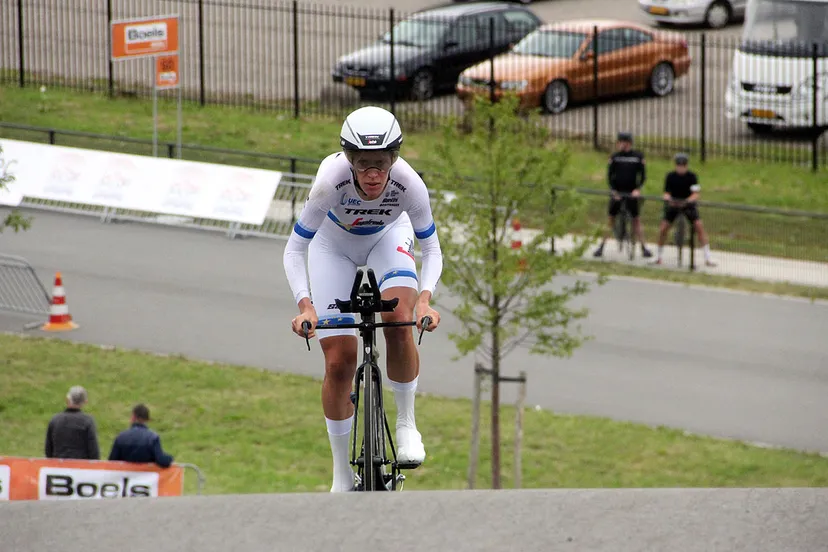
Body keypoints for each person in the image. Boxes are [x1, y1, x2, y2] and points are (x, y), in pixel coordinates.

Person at [282, 105, 443, 493]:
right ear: (348, 159)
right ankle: (341, 473)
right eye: (363, 163)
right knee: (339, 362)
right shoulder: (328, 182)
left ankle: (406, 424)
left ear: (395, 158)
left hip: (388, 236)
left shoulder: (409, 185)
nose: (373, 174)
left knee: (399, 320)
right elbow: (293, 250)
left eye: (382, 163)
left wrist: (424, 299)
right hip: (332, 245)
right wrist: (306, 305)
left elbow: (432, 249)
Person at [593, 132, 653, 259]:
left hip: (631, 191)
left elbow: (642, 176)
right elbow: (610, 175)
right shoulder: (615, 157)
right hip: (617, 191)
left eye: (623, 142)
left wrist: (637, 189)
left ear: (629, 143)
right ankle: (601, 246)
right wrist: (613, 191)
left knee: (636, 219)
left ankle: (643, 247)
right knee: (610, 219)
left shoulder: (637, 157)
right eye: (619, 142)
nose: (621, 144)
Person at [654, 153, 717, 267]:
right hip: (674, 204)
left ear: (686, 166)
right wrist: (668, 199)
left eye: (683, 165)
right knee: (663, 228)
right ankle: (658, 256)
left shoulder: (692, 176)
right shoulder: (670, 176)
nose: (680, 168)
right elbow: (666, 193)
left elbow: (696, 194)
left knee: (699, 227)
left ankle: (708, 257)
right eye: (678, 165)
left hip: (688, 205)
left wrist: (687, 201)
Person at [108, 404, 174, 468]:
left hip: (126, 478)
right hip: (147, 478)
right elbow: (162, 461)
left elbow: (112, 462)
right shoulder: (152, 438)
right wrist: (170, 458)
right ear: (147, 419)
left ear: (133, 417)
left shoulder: (120, 437)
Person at [45, 385, 100, 460]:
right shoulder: (87, 421)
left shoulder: (55, 420)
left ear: (67, 399)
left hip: (59, 467)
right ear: (84, 402)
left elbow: (48, 449)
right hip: (80, 468)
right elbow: (93, 451)